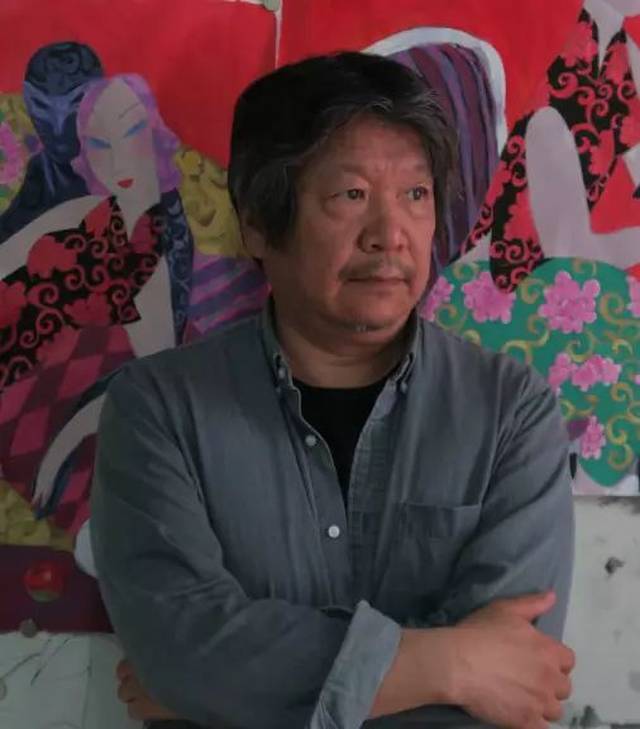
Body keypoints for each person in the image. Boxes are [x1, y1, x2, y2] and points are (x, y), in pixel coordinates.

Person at [91, 52, 575, 729]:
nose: (390, 235)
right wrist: (453, 664)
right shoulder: (158, 410)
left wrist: (233, 691)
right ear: (258, 224)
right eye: (350, 195)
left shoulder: (511, 413)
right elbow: (182, 649)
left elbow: (515, 685)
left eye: (415, 195)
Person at [0, 42, 104, 243]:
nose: (58, 127)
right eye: (41, 106)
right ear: (27, 101)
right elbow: (11, 231)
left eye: (77, 104)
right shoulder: (43, 169)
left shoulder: (126, 171)